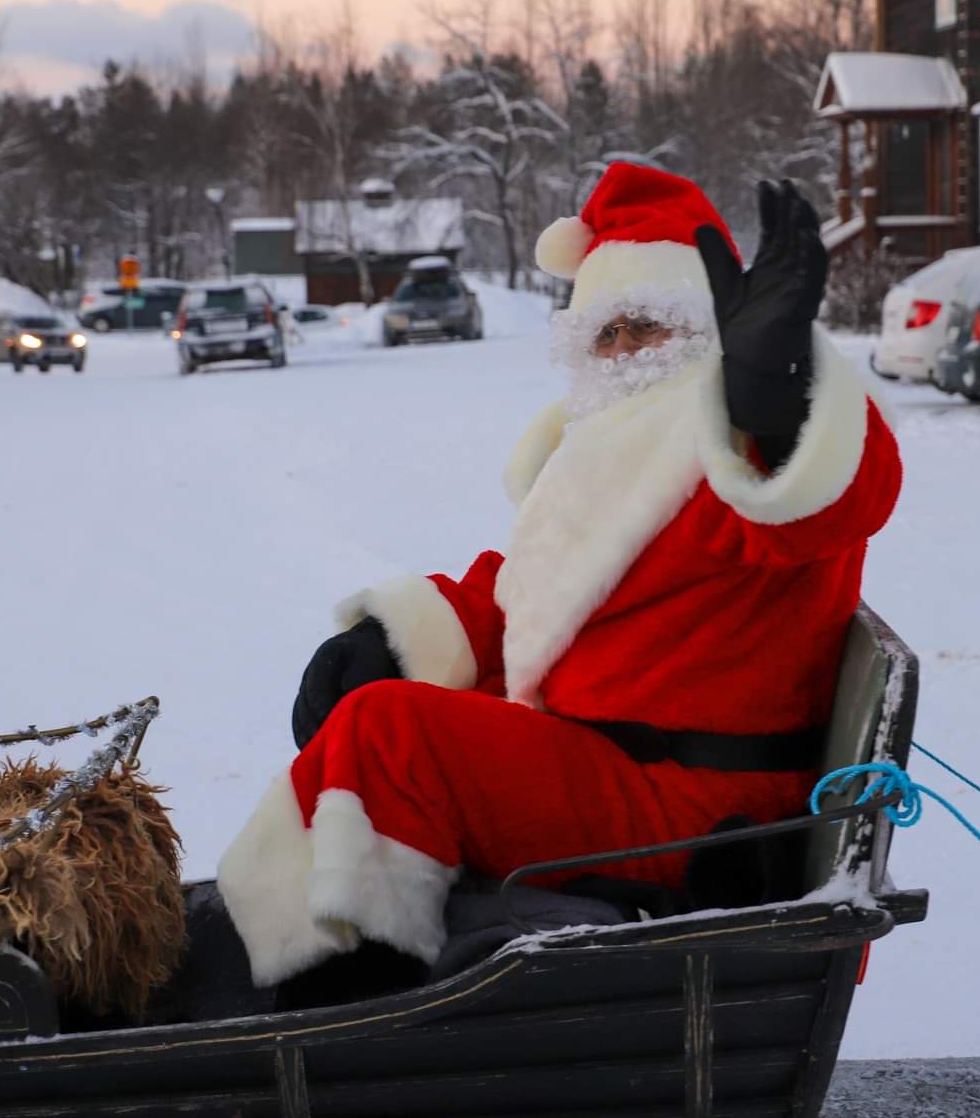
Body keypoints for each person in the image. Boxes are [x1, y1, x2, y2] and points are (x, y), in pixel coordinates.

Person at [216, 162, 902, 990]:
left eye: (645, 326)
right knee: (374, 719)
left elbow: (829, 503)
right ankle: (305, 944)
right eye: (605, 335)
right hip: (613, 758)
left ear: (702, 326)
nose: (621, 353)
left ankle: (353, 997)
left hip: (697, 808)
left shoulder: (729, 439)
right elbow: (543, 585)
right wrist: (413, 634)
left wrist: (782, 398)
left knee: (393, 735)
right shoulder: (612, 441)